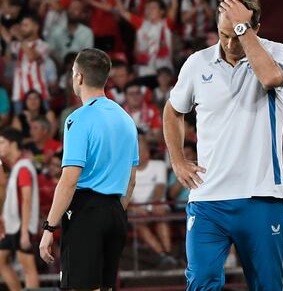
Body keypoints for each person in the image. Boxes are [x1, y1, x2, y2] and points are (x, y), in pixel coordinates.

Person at [163, 0, 283, 290]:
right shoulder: (198, 63)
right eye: (223, 34)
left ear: (254, 28)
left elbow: (271, 78)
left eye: (236, 34)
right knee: (201, 282)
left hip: (261, 195)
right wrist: (178, 161)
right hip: (208, 199)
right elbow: (172, 111)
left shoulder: (275, 52)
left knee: (268, 285)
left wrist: (242, 30)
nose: (230, 44)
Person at [39, 48, 139, 290]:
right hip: (116, 212)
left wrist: (49, 228)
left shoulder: (78, 118)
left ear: (79, 77)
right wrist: (112, 210)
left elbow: (69, 179)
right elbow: (132, 180)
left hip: (86, 211)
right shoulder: (126, 119)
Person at [0, 128, 39, 291]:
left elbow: (27, 199)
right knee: (1, 261)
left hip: (21, 226)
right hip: (13, 225)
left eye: (2, 142)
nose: (0, 146)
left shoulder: (23, 167)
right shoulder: (17, 166)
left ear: (13, 144)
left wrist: (24, 232)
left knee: (28, 269)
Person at [130, 134, 176, 268]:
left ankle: (167, 253)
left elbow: (160, 188)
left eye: (142, 150)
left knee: (161, 217)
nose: (139, 154)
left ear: (147, 152)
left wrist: (151, 206)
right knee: (138, 222)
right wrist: (134, 208)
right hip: (137, 209)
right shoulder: (127, 170)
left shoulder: (159, 165)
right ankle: (164, 255)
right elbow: (126, 193)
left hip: (157, 205)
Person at [0, 13, 52, 113]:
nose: (22, 28)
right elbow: (7, 59)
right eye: (22, 25)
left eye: (26, 25)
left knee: (42, 123)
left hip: (39, 93)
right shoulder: (18, 44)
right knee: (21, 125)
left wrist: (19, 37)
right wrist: (8, 41)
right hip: (19, 94)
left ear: (36, 27)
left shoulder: (43, 45)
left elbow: (32, 56)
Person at [48, 0, 94, 65]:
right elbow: (51, 51)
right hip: (59, 68)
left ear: (82, 14)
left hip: (79, 69)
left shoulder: (87, 33)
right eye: (71, 8)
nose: (72, 11)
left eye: (76, 9)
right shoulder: (56, 30)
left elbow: (87, 56)